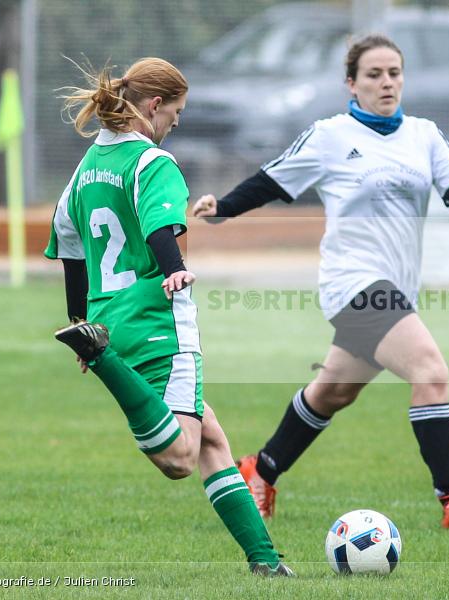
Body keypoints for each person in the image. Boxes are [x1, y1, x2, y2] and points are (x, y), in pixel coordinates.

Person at [192, 34, 449, 528]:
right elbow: (273, 179)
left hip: (396, 290)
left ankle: (260, 468)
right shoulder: (330, 134)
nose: (386, 82)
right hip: (351, 283)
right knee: (430, 372)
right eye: (374, 74)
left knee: (335, 389)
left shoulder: (424, 134)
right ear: (351, 84)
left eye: (394, 73)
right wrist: (224, 207)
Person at [44, 57, 291, 576]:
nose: (174, 125)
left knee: (213, 441)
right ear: (154, 106)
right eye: (174, 114)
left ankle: (266, 563)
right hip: (159, 324)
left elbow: (67, 239)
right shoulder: (153, 163)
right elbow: (161, 228)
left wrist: (79, 315)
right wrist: (174, 269)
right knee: (180, 458)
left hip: (107, 315)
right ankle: (102, 356)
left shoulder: (87, 167)